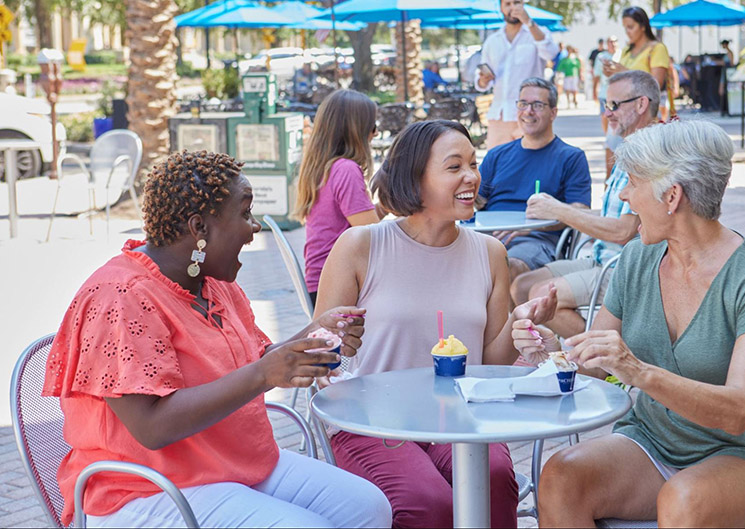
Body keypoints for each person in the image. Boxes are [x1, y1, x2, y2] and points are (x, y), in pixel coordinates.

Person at [43, 151, 392, 528]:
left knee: (368, 507)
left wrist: (313, 338)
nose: (254, 226)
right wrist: (264, 373)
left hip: (229, 466)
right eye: (244, 214)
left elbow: (258, 360)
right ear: (199, 227)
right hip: (141, 489)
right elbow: (152, 428)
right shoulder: (119, 296)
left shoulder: (213, 284)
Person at [512, 120, 745, 527]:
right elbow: (596, 363)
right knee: (562, 476)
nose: (623, 195)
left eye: (632, 182)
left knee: (683, 501)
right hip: (654, 442)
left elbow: (738, 411)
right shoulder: (637, 259)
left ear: (672, 197)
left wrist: (637, 371)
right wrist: (550, 349)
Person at [315, 120, 558, 529]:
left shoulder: (490, 252)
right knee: (425, 503)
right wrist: (334, 348)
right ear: (416, 178)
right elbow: (321, 346)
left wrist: (520, 323)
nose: (472, 176)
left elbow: (490, 360)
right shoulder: (361, 246)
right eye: (454, 166)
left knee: (496, 480)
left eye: (474, 163)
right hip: (373, 419)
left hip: (461, 416)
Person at [512, 71, 658, 338]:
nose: (608, 113)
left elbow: (624, 231)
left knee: (538, 294)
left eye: (615, 105)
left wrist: (559, 210)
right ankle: (579, 350)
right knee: (522, 285)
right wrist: (571, 211)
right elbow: (609, 216)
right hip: (600, 258)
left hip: (623, 268)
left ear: (641, 104)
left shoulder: (651, 152)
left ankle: (596, 355)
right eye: (605, 105)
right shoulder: (628, 149)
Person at [479, 77, 592, 289]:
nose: (528, 111)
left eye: (537, 105)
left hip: (536, 241)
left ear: (553, 113)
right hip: (488, 236)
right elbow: (477, 199)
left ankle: (506, 324)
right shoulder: (496, 155)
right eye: (523, 104)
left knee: (507, 265)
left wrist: (531, 226)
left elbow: (580, 210)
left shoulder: (571, 157)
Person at [295, 89, 381, 306]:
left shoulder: (324, 167)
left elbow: (353, 223)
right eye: (372, 126)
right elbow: (374, 236)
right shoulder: (346, 170)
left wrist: (386, 207)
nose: (376, 133)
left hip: (321, 281)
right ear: (356, 130)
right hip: (337, 285)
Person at [475, 0, 560, 150]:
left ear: (523, 4)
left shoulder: (537, 32)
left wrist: (528, 22)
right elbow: (480, 82)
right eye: (507, 4)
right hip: (500, 115)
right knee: (497, 166)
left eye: (517, 2)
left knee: (532, 164)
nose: (512, 7)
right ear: (500, 8)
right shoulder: (492, 41)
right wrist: (483, 79)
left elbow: (551, 53)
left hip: (531, 114)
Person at [603, 6, 671, 120]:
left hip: (644, 116)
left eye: (631, 27)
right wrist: (612, 73)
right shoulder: (626, 50)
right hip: (622, 112)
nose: (627, 32)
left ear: (643, 26)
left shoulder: (657, 49)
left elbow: (655, 86)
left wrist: (626, 72)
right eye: (625, 28)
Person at [593, 35, 621, 174]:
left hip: (620, 96)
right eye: (610, 41)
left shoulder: (622, 55)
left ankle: (611, 137)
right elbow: (597, 75)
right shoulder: (601, 57)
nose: (612, 44)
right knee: (605, 117)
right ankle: (608, 137)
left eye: (615, 41)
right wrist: (594, 90)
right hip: (605, 93)